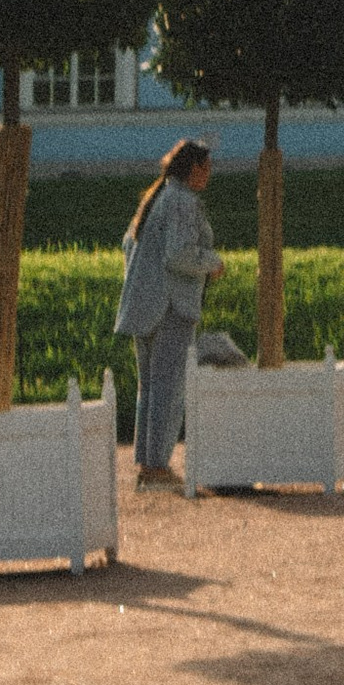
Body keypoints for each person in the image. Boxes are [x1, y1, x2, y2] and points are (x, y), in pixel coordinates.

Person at [114, 138, 223, 484]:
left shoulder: (155, 197)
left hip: (143, 306)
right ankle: (158, 465)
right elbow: (179, 254)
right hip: (171, 306)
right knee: (169, 386)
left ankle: (148, 462)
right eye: (206, 168)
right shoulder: (183, 201)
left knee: (149, 387)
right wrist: (213, 263)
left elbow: (128, 245)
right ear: (194, 169)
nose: (209, 176)